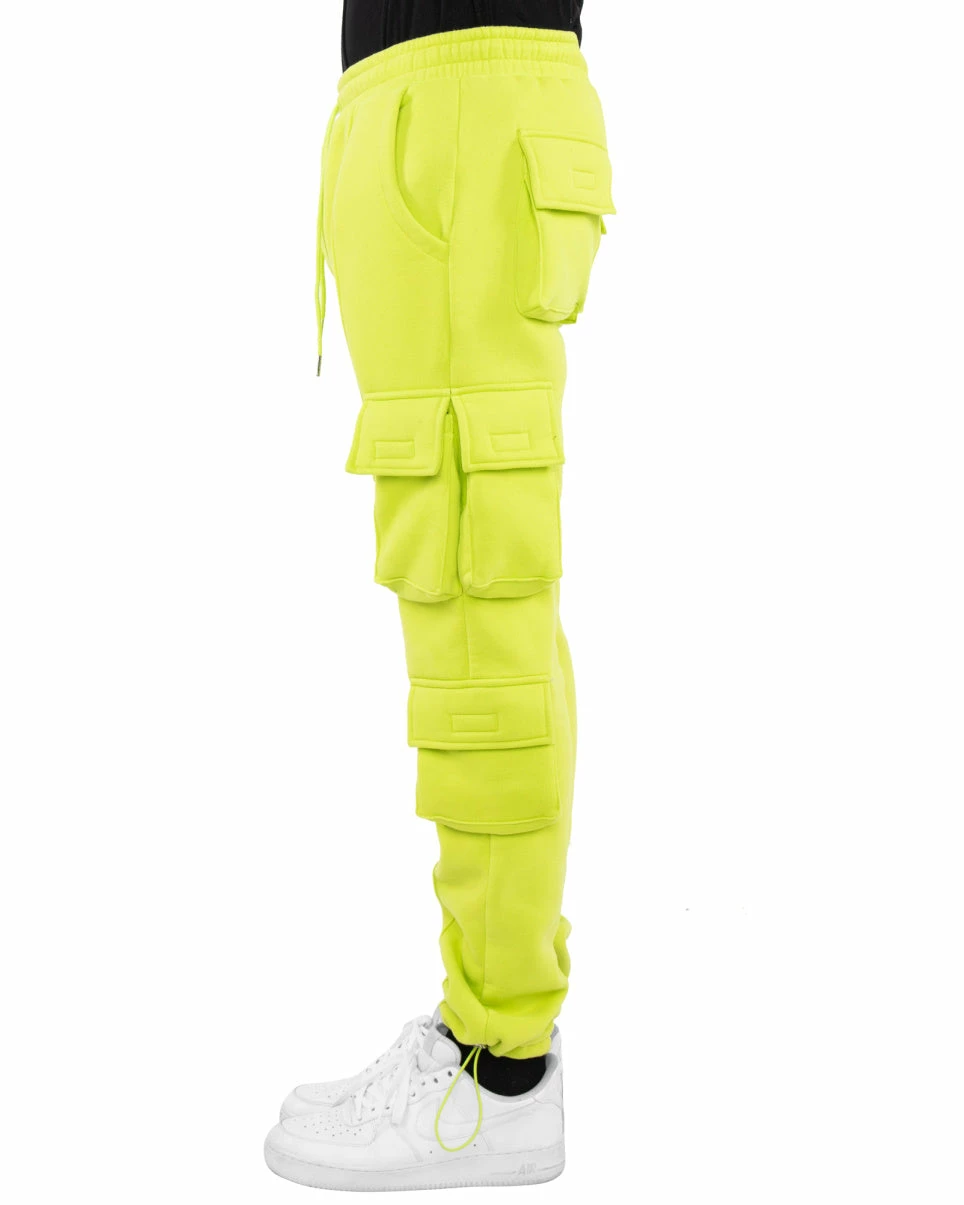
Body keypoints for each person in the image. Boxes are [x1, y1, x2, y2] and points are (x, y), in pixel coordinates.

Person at [264, 0, 613, 1190]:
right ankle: (487, 1026)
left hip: (462, 100)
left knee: (478, 586)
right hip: (427, 97)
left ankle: (496, 1064)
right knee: (472, 576)